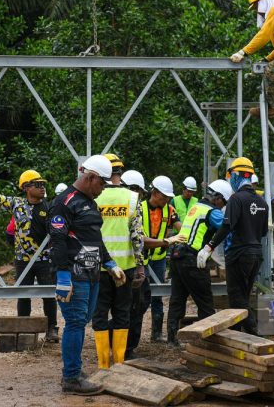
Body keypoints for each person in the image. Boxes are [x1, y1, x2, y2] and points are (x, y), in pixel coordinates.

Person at [50, 155, 126, 395]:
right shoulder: (64, 202)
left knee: (82, 322)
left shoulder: (90, 203)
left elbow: (95, 238)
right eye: (102, 184)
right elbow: (58, 240)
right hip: (74, 275)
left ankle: (74, 370)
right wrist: (62, 274)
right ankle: (71, 378)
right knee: (74, 323)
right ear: (91, 177)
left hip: (93, 273)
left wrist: (109, 262)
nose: (103, 189)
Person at [0, 170, 59, 342]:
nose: (42, 188)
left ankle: (51, 329)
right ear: (26, 188)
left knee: (48, 294)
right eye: (38, 185)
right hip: (23, 261)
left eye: (43, 185)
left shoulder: (49, 207)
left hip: (44, 260)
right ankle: (23, 327)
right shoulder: (17, 204)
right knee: (23, 294)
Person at [201, 157, 268, 335]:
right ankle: (237, 335)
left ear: (236, 175)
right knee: (243, 296)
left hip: (238, 255)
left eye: (231, 176)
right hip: (256, 255)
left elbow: (227, 225)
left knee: (238, 300)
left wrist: (209, 247)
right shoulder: (262, 202)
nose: (230, 180)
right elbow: (263, 232)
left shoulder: (236, 199)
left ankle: (255, 336)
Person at [92, 154, 146, 368]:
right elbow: (137, 236)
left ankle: (103, 363)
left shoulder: (93, 196)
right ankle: (120, 362)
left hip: (98, 267)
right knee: (122, 312)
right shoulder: (132, 198)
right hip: (126, 267)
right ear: (120, 173)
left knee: (100, 313)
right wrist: (140, 265)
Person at [166, 179, 233, 348]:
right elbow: (226, 228)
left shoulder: (195, 207)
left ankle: (172, 339)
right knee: (205, 303)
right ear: (217, 197)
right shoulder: (212, 211)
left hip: (177, 256)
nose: (222, 206)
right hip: (192, 260)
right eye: (223, 202)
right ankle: (207, 343)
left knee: (177, 300)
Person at [126, 175, 183, 355]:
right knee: (137, 300)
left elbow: (181, 228)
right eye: (164, 196)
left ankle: (156, 333)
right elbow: (139, 238)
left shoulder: (170, 209)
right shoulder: (139, 208)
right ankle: (127, 340)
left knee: (154, 297)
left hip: (157, 257)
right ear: (155, 192)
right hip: (139, 257)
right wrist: (166, 241)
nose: (167, 200)